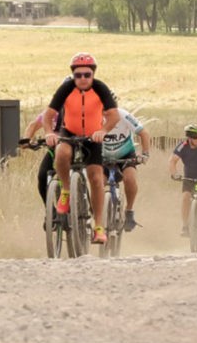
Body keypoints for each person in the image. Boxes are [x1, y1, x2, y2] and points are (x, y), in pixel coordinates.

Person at [42, 53, 120, 245]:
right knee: (62, 153)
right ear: (73, 75)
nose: (83, 79)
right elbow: (48, 114)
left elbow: (114, 115)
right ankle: (66, 191)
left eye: (87, 74)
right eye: (78, 75)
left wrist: (103, 130)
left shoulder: (101, 88)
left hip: (93, 136)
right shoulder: (66, 88)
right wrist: (49, 132)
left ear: (93, 74)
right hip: (69, 131)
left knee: (95, 177)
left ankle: (98, 227)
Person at [102, 103, 151, 232]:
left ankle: (129, 211)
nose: (106, 111)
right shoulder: (93, 116)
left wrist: (145, 154)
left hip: (126, 155)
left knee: (129, 179)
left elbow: (144, 133)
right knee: (97, 182)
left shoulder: (123, 115)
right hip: (103, 157)